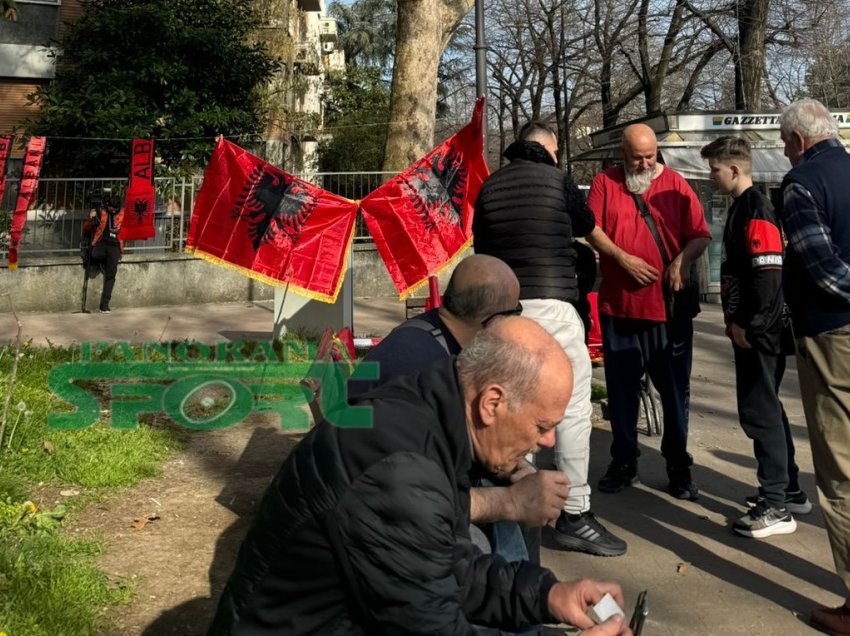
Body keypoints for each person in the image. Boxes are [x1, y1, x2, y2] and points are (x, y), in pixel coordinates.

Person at [209, 317, 631, 636]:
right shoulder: (400, 469)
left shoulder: (428, 418)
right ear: (492, 403)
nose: (546, 441)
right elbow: (432, 624)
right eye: (541, 425)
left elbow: (445, 567)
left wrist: (547, 595)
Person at [350, 254, 569, 565]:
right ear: (493, 319)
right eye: (516, 311)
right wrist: (509, 500)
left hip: (386, 486)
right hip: (378, 518)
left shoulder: (430, 335)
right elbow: (412, 495)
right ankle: (520, 599)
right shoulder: (427, 366)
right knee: (501, 522)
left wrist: (508, 465)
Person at [473, 121, 626, 558]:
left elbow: (481, 250)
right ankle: (574, 513)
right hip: (554, 306)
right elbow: (586, 226)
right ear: (549, 150)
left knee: (516, 411)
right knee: (573, 410)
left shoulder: (489, 188)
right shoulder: (558, 182)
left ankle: (523, 504)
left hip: (504, 311)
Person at [585, 123, 711, 500]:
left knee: (674, 394)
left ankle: (678, 467)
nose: (643, 164)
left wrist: (681, 262)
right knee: (622, 392)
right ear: (622, 154)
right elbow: (591, 228)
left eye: (650, 156)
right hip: (620, 308)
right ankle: (624, 462)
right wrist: (622, 258)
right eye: (637, 157)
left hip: (667, 312)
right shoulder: (605, 183)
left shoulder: (675, 184)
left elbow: (700, 234)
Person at [699, 136, 811, 539]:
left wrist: (751, 325)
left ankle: (777, 505)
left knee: (758, 412)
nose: (711, 177)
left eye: (714, 169)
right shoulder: (743, 208)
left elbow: (769, 275)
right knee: (768, 409)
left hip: (761, 333)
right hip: (754, 329)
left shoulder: (756, 209)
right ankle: (790, 490)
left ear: (733, 169)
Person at [777, 98, 850, 635]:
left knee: (841, 471)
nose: (784, 154)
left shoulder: (801, 183)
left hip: (833, 335)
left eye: (784, 145)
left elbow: (823, 269)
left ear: (799, 141)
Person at [85, 195, 124, 313]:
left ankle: (105, 305)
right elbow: (86, 228)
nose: (113, 210)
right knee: (94, 255)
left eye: (115, 208)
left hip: (115, 245)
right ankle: (102, 263)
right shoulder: (101, 212)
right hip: (101, 242)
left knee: (111, 274)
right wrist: (91, 218)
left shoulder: (122, 213)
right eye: (111, 208)